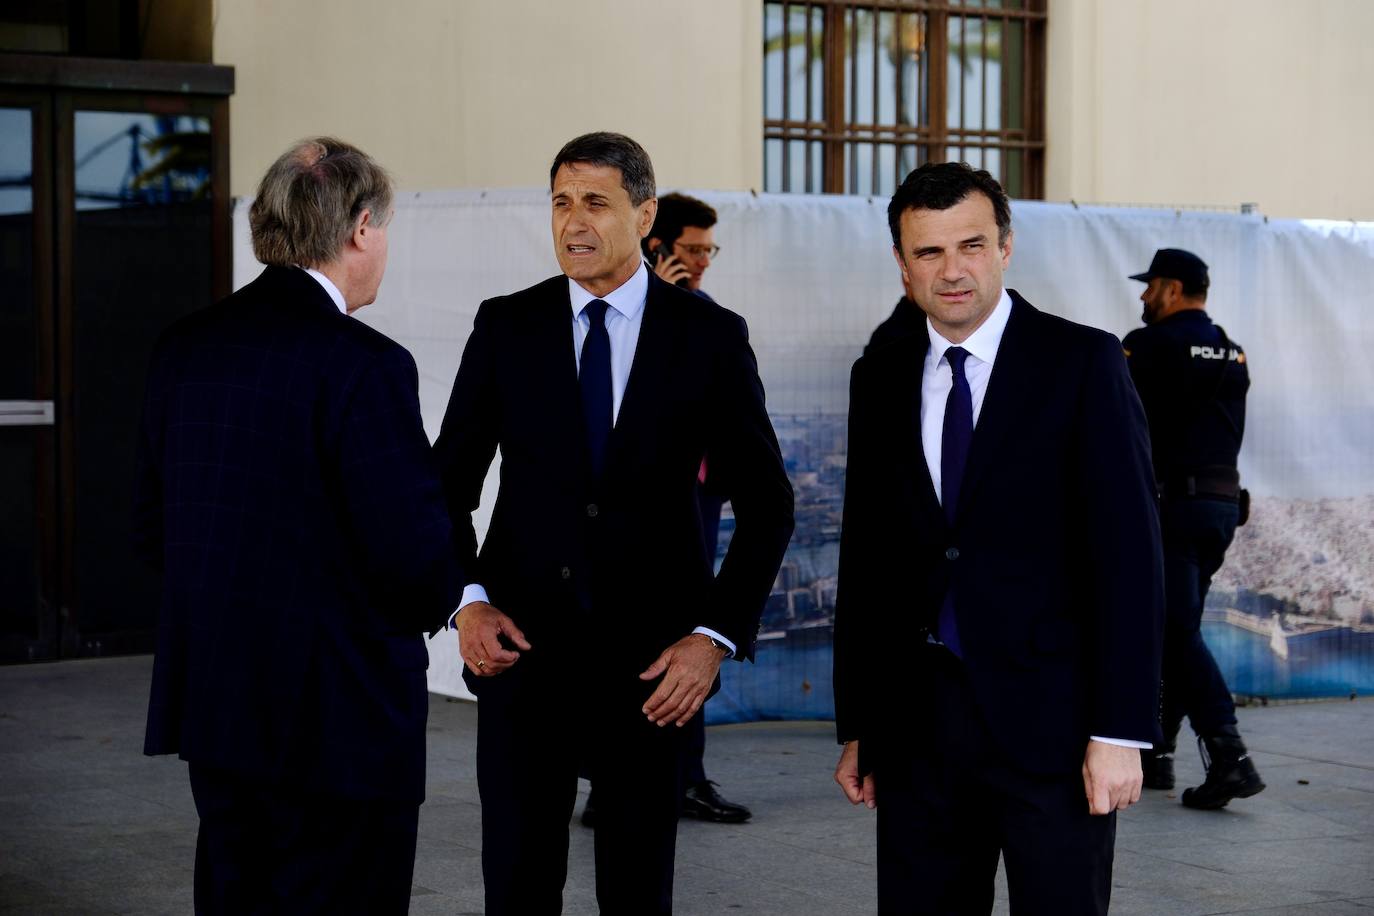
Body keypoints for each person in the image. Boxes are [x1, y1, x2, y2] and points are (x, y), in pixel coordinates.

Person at [436, 132, 794, 915]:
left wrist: (714, 637)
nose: (574, 222)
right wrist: (466, 601)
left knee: (637, 889)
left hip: (651, 668)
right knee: (519, 886)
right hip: (519, 658)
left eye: (595, 202)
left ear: (645, 212)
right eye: (562, 202)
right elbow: (444, 487)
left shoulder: (708, 336)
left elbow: (769, 504)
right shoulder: (507, 326)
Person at [134, 137, 463, 915]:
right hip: (341, 718)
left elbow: (152, 531)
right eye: (384, 226)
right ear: (357, 228)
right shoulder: (366, 363)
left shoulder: (184, 347)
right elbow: (412, 555)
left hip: (217, 699)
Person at [832, 161, 1164, 915]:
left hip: (1056, 730)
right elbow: (868, 560)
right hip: (917, 733)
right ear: (901, 262)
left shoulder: (1083, 361)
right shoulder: (877, 376)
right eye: (930, 252)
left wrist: (1121, 730)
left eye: (972, 246)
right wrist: (861, 725)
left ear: (1007, 247)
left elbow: (1130, 557)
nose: (953, 271)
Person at [580, 192, 750, 827]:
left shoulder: (703, 320)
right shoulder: (619, 313)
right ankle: (606, 774)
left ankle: (687, 773)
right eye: (692, 251)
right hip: (619, 511)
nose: (702, 262)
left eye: (709, 251)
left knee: (687, 631)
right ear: (657, 244)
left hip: (697, 499)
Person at [1125, 248, 1265, 809]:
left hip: (1172, 510)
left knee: (1175, 630)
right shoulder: (1232, 352)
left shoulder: (1152, 346)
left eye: (1150, 286)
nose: (1143, 297)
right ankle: (1157, 753)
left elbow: (1118, 418)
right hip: (1220, 508)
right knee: (1174, 629)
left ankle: (1229, 757)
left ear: (1174, 289)